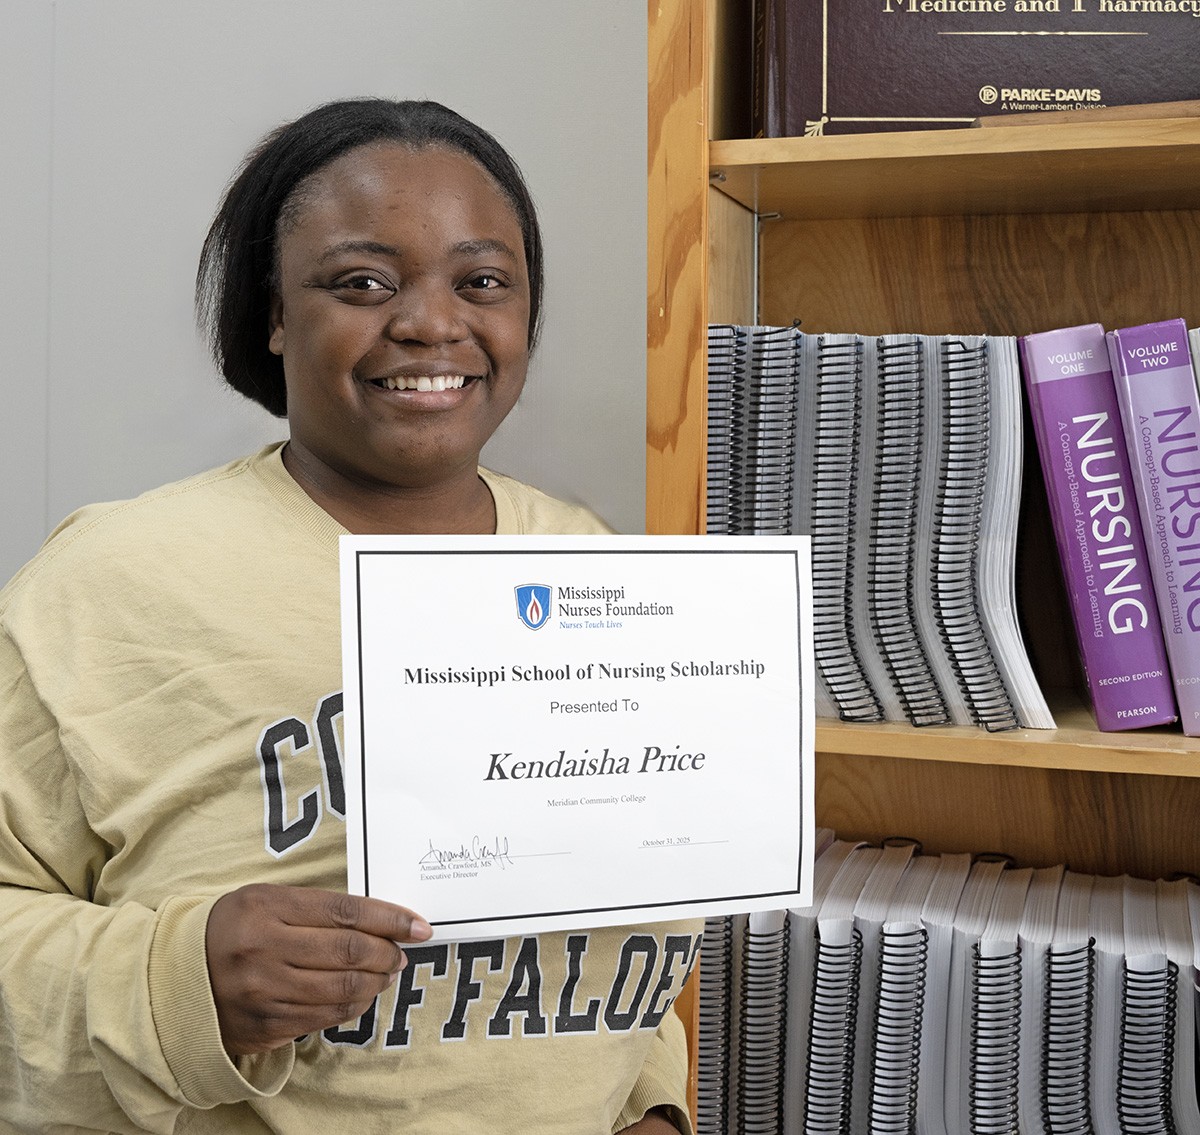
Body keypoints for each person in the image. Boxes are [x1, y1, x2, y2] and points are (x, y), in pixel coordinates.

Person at [0, 97, 699, 1134]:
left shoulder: (604, 572)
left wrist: (651, 1103)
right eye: (363, 282)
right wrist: (178, 980)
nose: (430, 322)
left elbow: (635, 937)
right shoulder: (106, 582)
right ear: (275, 314)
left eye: (482, 282)